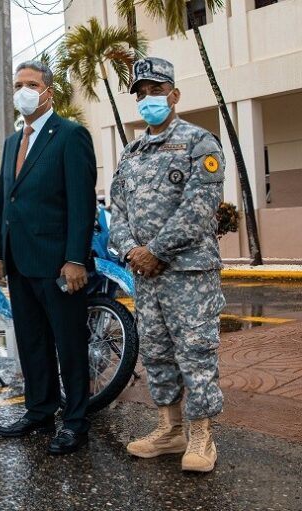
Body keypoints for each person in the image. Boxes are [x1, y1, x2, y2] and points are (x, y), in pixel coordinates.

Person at [109, 57, 226, 473]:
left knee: (195, 353)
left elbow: (200, 207)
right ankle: (169, 429)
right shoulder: (132, 152)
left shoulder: (200, 142)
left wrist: (155, 250)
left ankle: (201, 436)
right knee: (157, 353)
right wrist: (130, 252)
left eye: (156, 91)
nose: (148, 99)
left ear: (174, 95)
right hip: (146, 275)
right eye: (141, 93)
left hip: (188, 272)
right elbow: (116, 210)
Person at [0, 60, 97, 455]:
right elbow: (6, 201)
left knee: (68, 344)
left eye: (30, 83)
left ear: (48, 90)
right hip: (18, 260)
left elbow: (81, 204)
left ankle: (75, 422)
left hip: (57, 263)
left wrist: (75, 258)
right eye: (18, 84)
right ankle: (39, 410)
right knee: (32, 342)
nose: (23, 90)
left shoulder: (70, 135)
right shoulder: (12, 142)